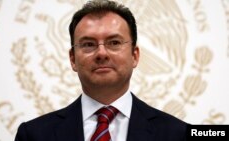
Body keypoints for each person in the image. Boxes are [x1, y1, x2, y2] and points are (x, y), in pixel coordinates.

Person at [15, 0, 189, 141]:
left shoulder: (176, 134)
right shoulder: (34, 135)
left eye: (114, 42)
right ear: (73, 59)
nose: (101, 53)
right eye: (89, 44)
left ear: (134, 55)